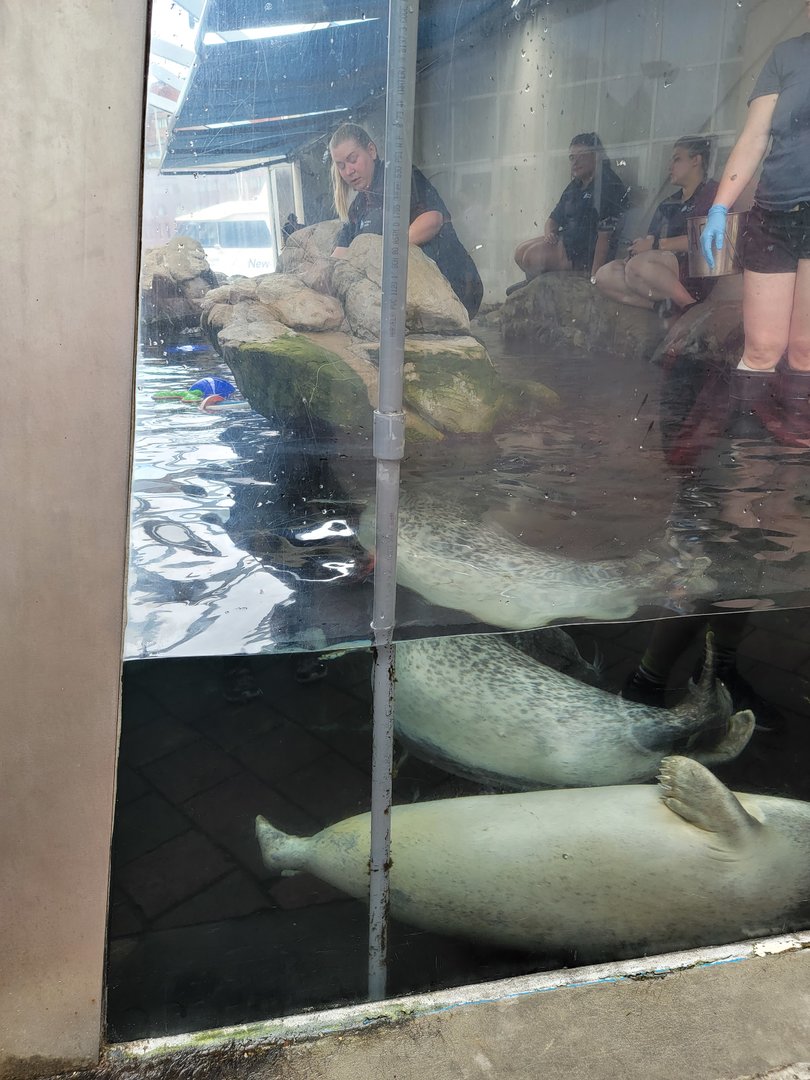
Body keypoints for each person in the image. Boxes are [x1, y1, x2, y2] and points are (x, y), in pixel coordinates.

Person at [701, 15, 810, 436]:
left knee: (805, 351)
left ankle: (796, 478)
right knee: (762, 348)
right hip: (774, 212)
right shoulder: (787, 55)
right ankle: (746, 467)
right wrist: (719, 207)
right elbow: (753, 138)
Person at [328, 123, 483, 318]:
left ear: (371, 151)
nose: (348, 171)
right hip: (415, 302)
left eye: (353, 160)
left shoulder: (399, 178)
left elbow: (433, 219)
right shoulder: (358, 207)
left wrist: (380, 254)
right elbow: (340, 254)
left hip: (457, 287)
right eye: (341, 166)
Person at [594, 137, 718, 320]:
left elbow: (707, 238)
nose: (670, 166)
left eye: (677, 159)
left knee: (637, 267)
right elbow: (651, 239)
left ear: (696, 160)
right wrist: (639, 249)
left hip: (695, 269)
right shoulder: (669, 203)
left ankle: (690, 306)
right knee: (604, 275)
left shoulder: (711, 194)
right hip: (655, 269)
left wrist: (654, 247)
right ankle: (660, 307)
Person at [511, 133, 630, 289]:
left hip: (583, 253)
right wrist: (549, 234)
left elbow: (605, 236)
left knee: (531, 258)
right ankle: (534, 285)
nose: (575, 162)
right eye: (572, 157)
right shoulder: (576, 185)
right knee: (520, 252)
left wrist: (595, 278)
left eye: (581, 156)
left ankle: (554, 282)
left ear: (596, 156)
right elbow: (552, 220)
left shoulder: (607, 184)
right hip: (567, 242)